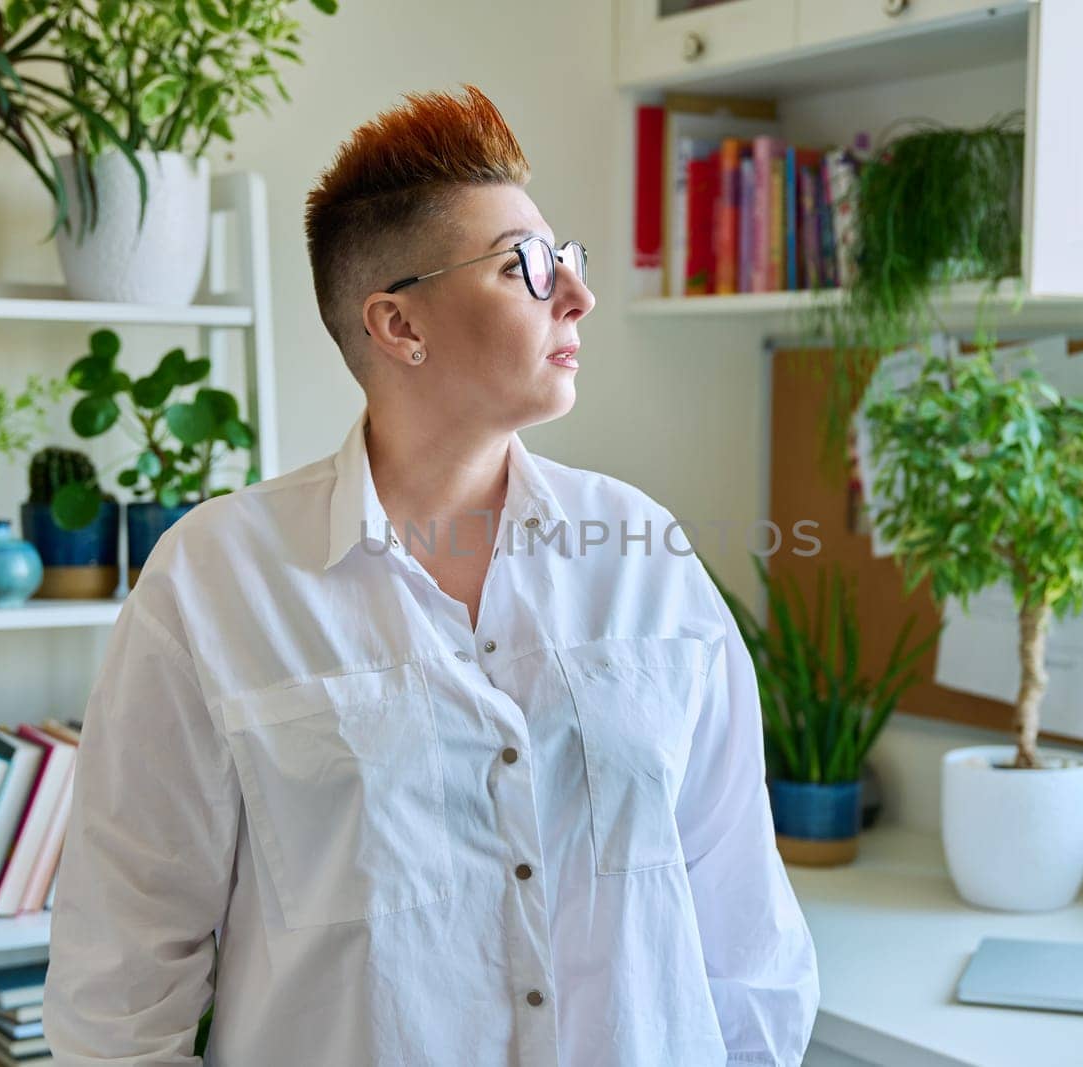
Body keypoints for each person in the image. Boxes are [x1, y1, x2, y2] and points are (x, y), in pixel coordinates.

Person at [44, 84, 819, 1066]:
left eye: (565, 259)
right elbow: (117, 990)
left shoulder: (644, 553)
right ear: (398, 326)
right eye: (524, 267)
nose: (575, 295)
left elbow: (744, 930)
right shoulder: (213, 581)